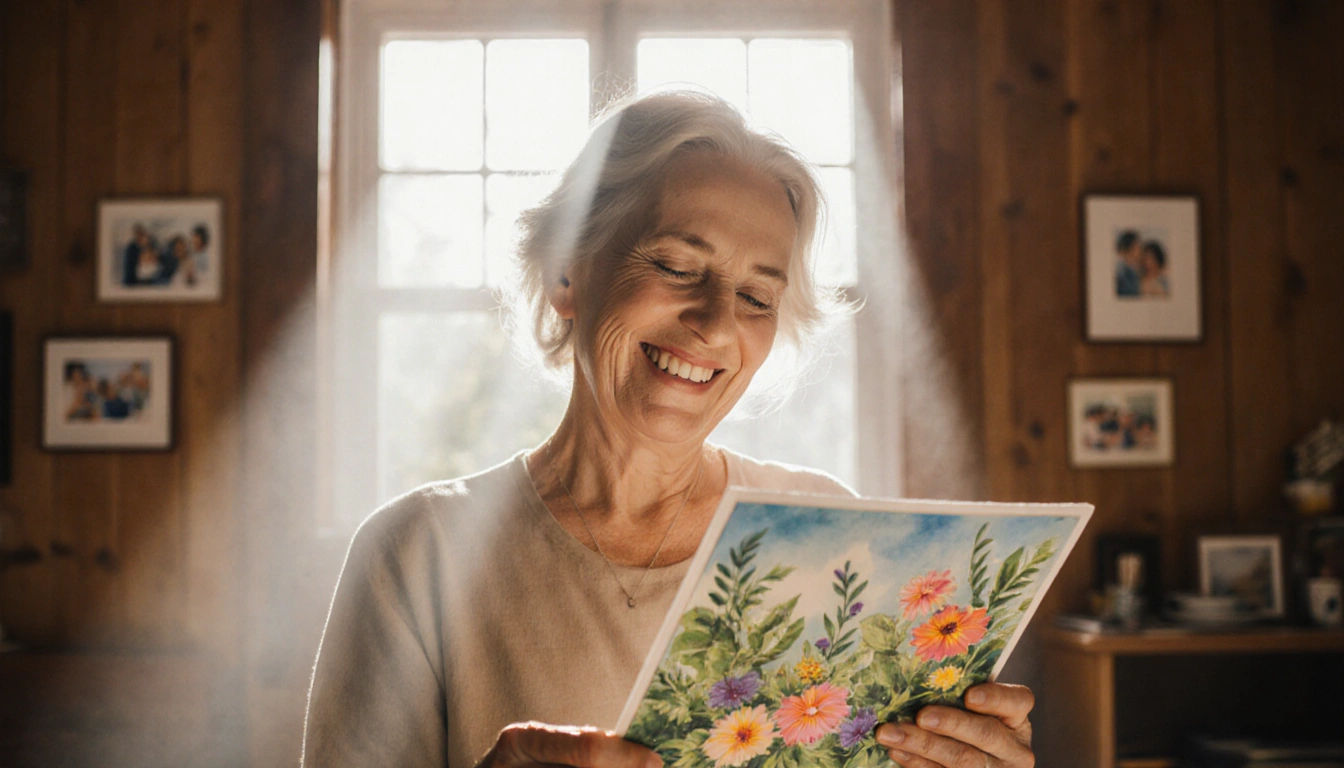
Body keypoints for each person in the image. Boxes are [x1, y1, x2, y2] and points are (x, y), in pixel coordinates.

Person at [302, 91, 1036, 768]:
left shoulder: (829, 533)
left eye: (755, 296)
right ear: (567, 274)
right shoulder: (413, 554)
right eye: (677, 266)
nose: (717, 324)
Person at [1114, 230, 1142, 297]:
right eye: (1138, 247)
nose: (1140, 250)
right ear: (1130, 248)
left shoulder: (1136, 269)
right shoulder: (1121, 274)